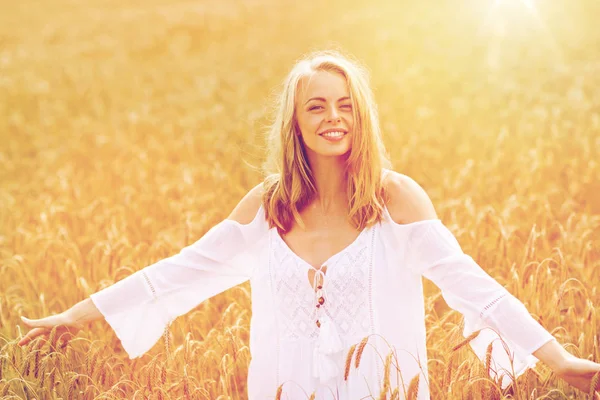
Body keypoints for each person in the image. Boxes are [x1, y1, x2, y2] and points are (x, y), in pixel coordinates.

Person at [18, 50, 600, 399]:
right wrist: (76, 314)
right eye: (317, 106)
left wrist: (560, 361)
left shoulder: (393, 200)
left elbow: (474, 288)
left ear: (362, 116)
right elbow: (177, 274)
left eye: (346, 105)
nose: (333, 117)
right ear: (295, 122)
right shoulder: (268, 208)